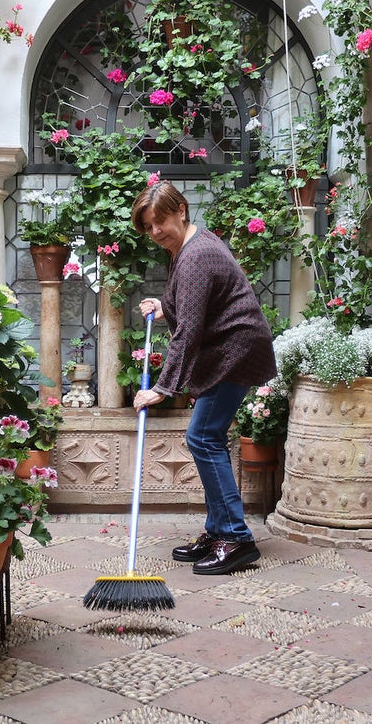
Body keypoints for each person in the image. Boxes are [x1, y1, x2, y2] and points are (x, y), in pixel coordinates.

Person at [130, 181, 277, 575]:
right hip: (231, 348)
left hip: (236, 351)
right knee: (206, 436)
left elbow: (190, 330)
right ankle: (218, 532)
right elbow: (197, 301)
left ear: (181, 210)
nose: (156, 231)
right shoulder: (189, 246)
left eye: (160, 220)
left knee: (203, 436)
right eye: (148, 226)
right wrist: (165, 305)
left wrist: (161, 388)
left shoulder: (196, 254)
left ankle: (235, 538)